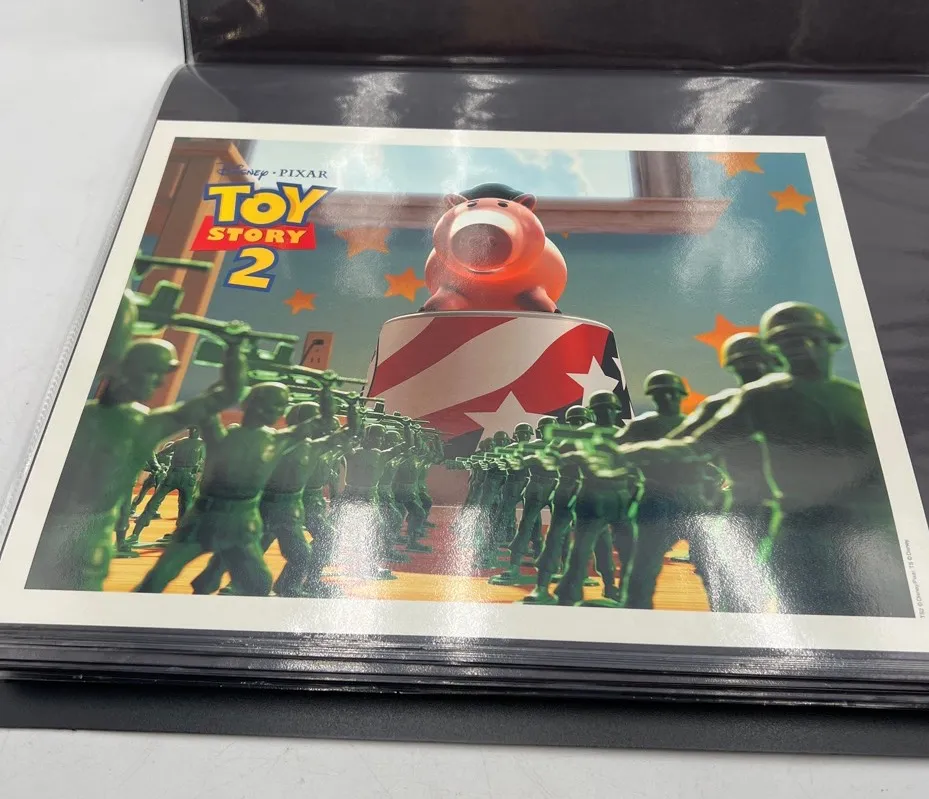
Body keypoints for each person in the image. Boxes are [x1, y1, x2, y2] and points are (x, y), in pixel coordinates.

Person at [617, 302, 913, 617]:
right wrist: (624, 454)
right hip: (782, 519)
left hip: (866, 528)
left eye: (807, 340)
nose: (802, 350)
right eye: (789, 343)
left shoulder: (857, 399)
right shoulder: (761, 398)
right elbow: (693, 445)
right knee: (769, 595)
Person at [27, 334, 247, 591]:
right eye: (152, 372)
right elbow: (227, 394)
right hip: (57, 531)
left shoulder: (135, 423)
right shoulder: (136, 424)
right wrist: (233, 349)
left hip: (67, 532)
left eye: (161, 375)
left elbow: (227, 394)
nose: (158, 383)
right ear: (124, 370)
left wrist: (234, 350)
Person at [135, 383, 328, 595]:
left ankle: (208, 582)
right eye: (268, 404)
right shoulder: (221, 436)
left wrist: (326, 394)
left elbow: (316, 424)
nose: (274, 411)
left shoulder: (276, 441)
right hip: (205, 518)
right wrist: (230, 378)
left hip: (242, 522)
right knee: (161, 575)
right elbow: (209, 406)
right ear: (248, 404)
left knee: (259, 583)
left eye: (280, 406)